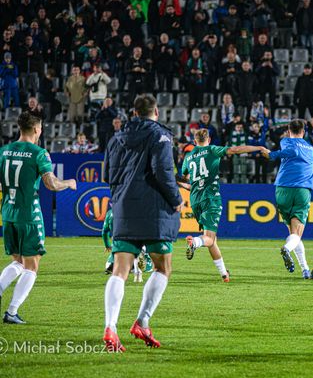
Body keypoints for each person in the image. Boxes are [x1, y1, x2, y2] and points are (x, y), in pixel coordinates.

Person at [103, 94, 183, 352]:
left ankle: (110, 327)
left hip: (124, 207)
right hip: (155, 210)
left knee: (120, 270)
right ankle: (142, 321)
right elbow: (162, 171)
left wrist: (121, 200)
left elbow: (108, 175)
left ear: (134, 112)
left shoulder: (116, 137)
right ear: (156, 112)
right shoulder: (161, 136)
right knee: (162, 268)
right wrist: (176, 198)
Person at [0, 112, 76, 324]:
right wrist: (69, 183)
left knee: (17, 261)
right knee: (32, 265)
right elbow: (51, 184)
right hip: (29, 215)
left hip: (8, 213)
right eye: (40, 128)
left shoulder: (3, 151)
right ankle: (12, 312)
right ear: (36, 129)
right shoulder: (39, 153)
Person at [181, 129, 267, 281]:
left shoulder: (189, 157)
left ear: (195, 142)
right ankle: (195, 242)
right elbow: (235, 149)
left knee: (212, 239)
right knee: (207, 238)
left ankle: (224, 274)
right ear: (208, 140)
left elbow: (188, 180)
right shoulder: (212, 149)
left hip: (195, 201)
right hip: (211, 199)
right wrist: (258, 148)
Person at [264, 119, 313, 279]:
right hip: (301, 190)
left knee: (293, 233)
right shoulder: (310, 148)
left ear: (289, 131)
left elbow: (285, 151)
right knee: (297, 234)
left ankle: (305, 270)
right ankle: (287, 248)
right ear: (304, 132)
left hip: (282, 189)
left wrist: (271, 154)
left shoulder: (285, 141)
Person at [102, 209, 151, 281]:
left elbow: (105, 231)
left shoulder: (110, 212)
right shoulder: (136, 211)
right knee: (137, 252)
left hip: (118, 242)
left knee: (110, 265)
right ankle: (142, 258)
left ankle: (130, 265)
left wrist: (107, 245)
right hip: (134, 239)